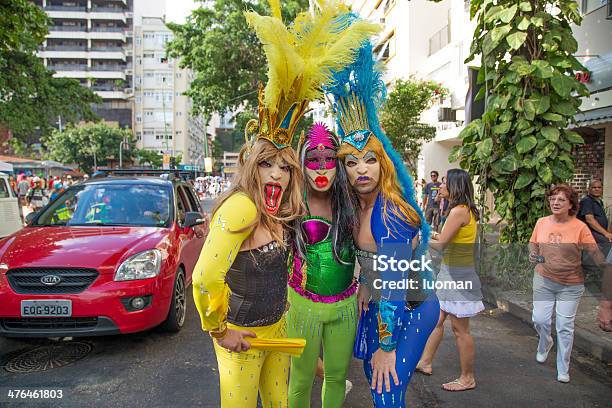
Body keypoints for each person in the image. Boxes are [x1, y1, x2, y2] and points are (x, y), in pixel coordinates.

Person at [191, 3, 377, 406]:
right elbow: (205, 278)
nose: (276, 174)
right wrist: (220, 330)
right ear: (249, 166)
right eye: (266, 165)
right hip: (242, 336)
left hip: (279, 330)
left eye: (283, 166)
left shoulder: (282, 212)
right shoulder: (242, 208)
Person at [327, 40, 439, 407]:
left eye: (370, 160)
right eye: (352, 162)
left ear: (383, 164)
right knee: (377, 384)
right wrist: (364, 285)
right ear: (342, 169)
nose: (361, 169)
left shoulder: (390, 212)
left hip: (409, 304)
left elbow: (393, 283)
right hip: (381, 298)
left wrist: (388, 348)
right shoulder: (356, 205)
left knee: (386, 387)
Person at [287, 123, 358, 407]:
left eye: (329, 159)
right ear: (302, 164)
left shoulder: (352, 201)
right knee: (301, 378)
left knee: (337, 376)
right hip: (303, 305)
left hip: (346, 305)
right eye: (313, 161)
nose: (321, 168)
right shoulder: (290, 202)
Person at [529, 183, 607, 383]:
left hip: (571, 284)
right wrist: (533, 252)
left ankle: (563, 368)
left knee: (564, 326)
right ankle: (545, 343)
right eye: (553, 199)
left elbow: (594, 252)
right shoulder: (541, 222)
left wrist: (606, 266)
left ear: (571, 204)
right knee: (540, 320)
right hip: (544, 279)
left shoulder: (580, 227)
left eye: (561, 199)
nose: (555, 202)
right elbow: (533, 242)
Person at [416, 169, 484, 392]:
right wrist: (433, 234)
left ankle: (468, 378)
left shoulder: (458, 212)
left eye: (445, 183)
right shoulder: (465, 210)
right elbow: (448, 238)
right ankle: (425, 362)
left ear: (454, 187)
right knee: (437, 319)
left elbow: (441, 245)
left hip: (457, 277)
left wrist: (420, 240)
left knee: (460, 330)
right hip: (451, 273)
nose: (441, 186)